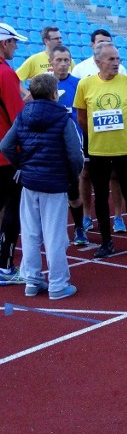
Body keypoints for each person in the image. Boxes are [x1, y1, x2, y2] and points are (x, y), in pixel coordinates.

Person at [0, 74, 84, 299]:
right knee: (55, 235)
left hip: (29, 183)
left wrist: (22, 165)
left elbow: (5, 145)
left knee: (30, 233)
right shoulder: (63, 118)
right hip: (55, 184)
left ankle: (32, 280)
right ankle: (57, 284)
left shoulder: (22, 115)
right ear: (55, 93)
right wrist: (72, 175)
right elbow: (75, 154)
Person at [74, 41, 127, 258]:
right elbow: (81, 116)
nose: (116, 63)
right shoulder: (86, 85)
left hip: (125, 150)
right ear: (98, 62)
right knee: (100, 196)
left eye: (118, 58)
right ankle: (106, 241)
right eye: (111, 59)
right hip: (98, 151)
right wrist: (96, 136)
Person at [71, 28, 127, 234]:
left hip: (117, 134)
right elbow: (79, 107)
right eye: (101, 42)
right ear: (92, 45)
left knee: (116, 176)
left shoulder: (121, 69)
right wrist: (89, 132)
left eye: (108, 41)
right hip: (90, 135)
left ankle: (119, 216)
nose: (104, 45)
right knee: (85, 174)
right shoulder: (80, 69)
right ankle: (86, 215)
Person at [48, 45, 89, 247]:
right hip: (50, 147)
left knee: (74, 191)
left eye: (67, 60)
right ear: (51, 62)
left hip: (72, 144)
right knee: (51, 193)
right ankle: (52, 231)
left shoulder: (79, 84)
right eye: (59, 60)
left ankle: (79, 227)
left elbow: (83, 114)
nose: (63, 64)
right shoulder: (43, 85)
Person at [0, 23, 27, 286]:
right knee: (12, 210)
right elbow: (18, 119)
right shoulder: (6, 74)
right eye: (14, 42)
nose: (16, 47)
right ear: (4, 43)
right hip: (6, 156)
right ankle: (5, 267)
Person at [16, 26, 75, 99]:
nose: (60, 40)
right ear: (46, 41)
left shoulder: (69, 60)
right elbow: (14, 79)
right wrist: (27, 93)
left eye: (60, 38)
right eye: (56, 38)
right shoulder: (34, 59)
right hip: (43, 104)